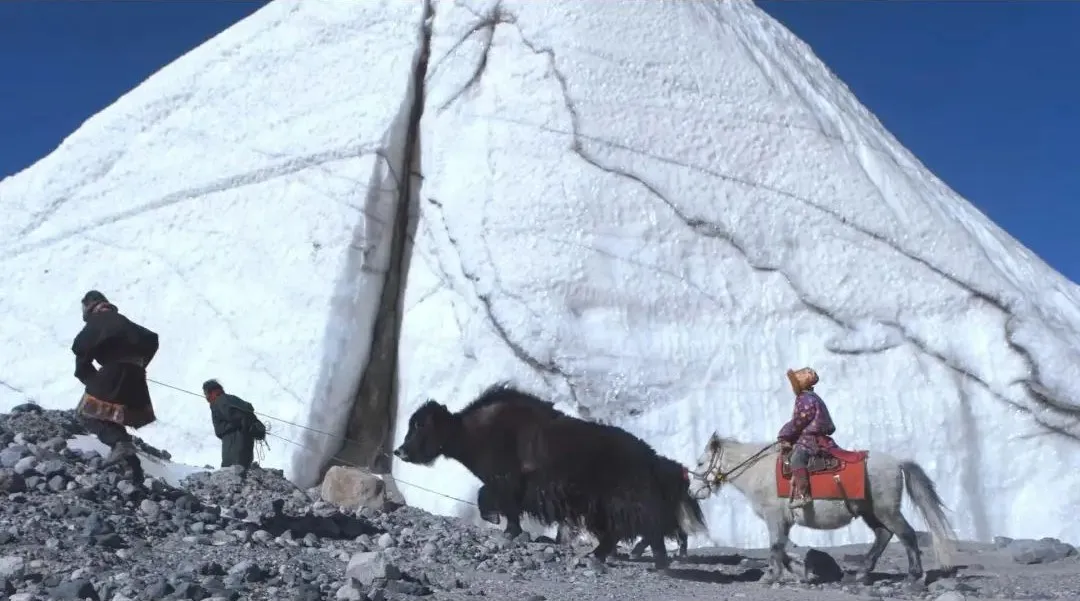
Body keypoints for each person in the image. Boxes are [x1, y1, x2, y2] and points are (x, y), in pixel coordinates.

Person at [71, 290, 160, 482]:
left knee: (86, 412)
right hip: (136, 378)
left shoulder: (98, 322)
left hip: (113, 373)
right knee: (112, 416)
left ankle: (120, 444)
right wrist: (139, 365)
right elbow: (152, 339)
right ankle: (133, 470)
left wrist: (94, 381)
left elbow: (81, 359)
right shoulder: (124, 322)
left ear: (89, 307)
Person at [776, 366, 838, 509]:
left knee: (797, 459)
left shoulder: (805, 398)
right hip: (817, 437)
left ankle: (805, 495)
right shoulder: (813, 397)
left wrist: (784, 434)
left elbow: (800, 420)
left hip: (810, 439)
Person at [202, 379, 266, 470]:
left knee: (230, 475)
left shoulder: (220, 400)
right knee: (242, 474)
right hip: (245, 447)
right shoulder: (233, 399)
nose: (206, 397)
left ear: (211, 392)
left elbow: (231, 418)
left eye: (205, 393)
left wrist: (229, 426)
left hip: (233, 448)